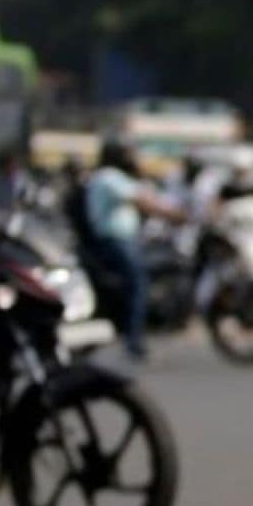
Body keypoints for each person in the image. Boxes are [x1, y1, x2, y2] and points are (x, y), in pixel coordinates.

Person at [77, 141, 186, 362]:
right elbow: (143, 201)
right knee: (138, 284)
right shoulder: (109, 176)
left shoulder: (110, 177)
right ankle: (133, 341)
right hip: (116, 241)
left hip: (123, 241)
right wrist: (175, 216)